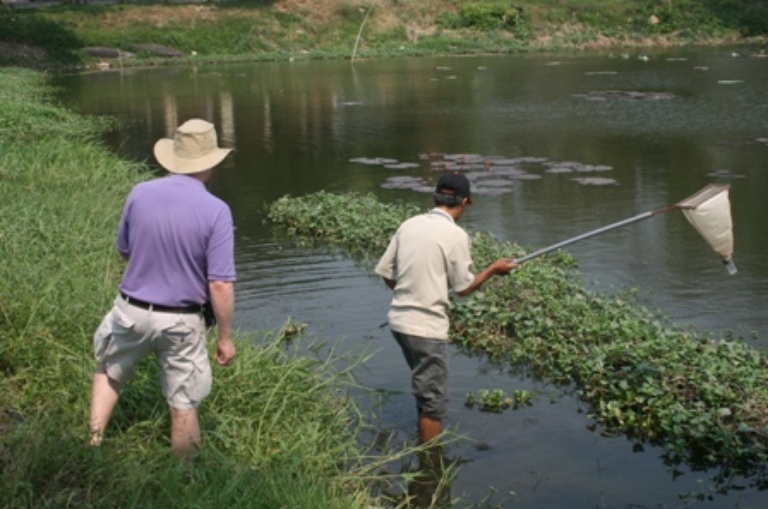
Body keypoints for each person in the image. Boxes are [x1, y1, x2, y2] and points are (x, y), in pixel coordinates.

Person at [89, 119, 237, 460]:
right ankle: (183, 481)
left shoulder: (140, 192)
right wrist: (225, 337)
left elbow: (124, 249)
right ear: (212, 162)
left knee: (109, 371)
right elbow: (219, 283)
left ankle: (93, 444)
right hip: (182, 322)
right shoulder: (217, 211)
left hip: (131, 309)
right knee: (183, 403)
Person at [375, 172, 517, 443]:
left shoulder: (409, 225)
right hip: (426, 330)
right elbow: (463, 289)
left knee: (425, 387)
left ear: (435, 196)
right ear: (467, 202)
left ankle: (422, 443)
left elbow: (386, 273)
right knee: (433, 401)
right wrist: (493, 270)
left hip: (399, 323)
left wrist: (411, 292)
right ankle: (430, 464)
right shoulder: (456, 235)